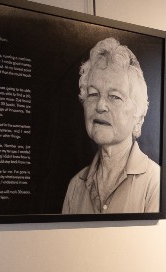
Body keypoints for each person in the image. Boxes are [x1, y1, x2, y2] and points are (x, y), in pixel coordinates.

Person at [62, 37, 160, 214]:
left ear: (138, 114)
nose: (100, 106)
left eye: (114, 96)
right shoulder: (76, 186)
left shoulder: (156, 182)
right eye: (93, 94)